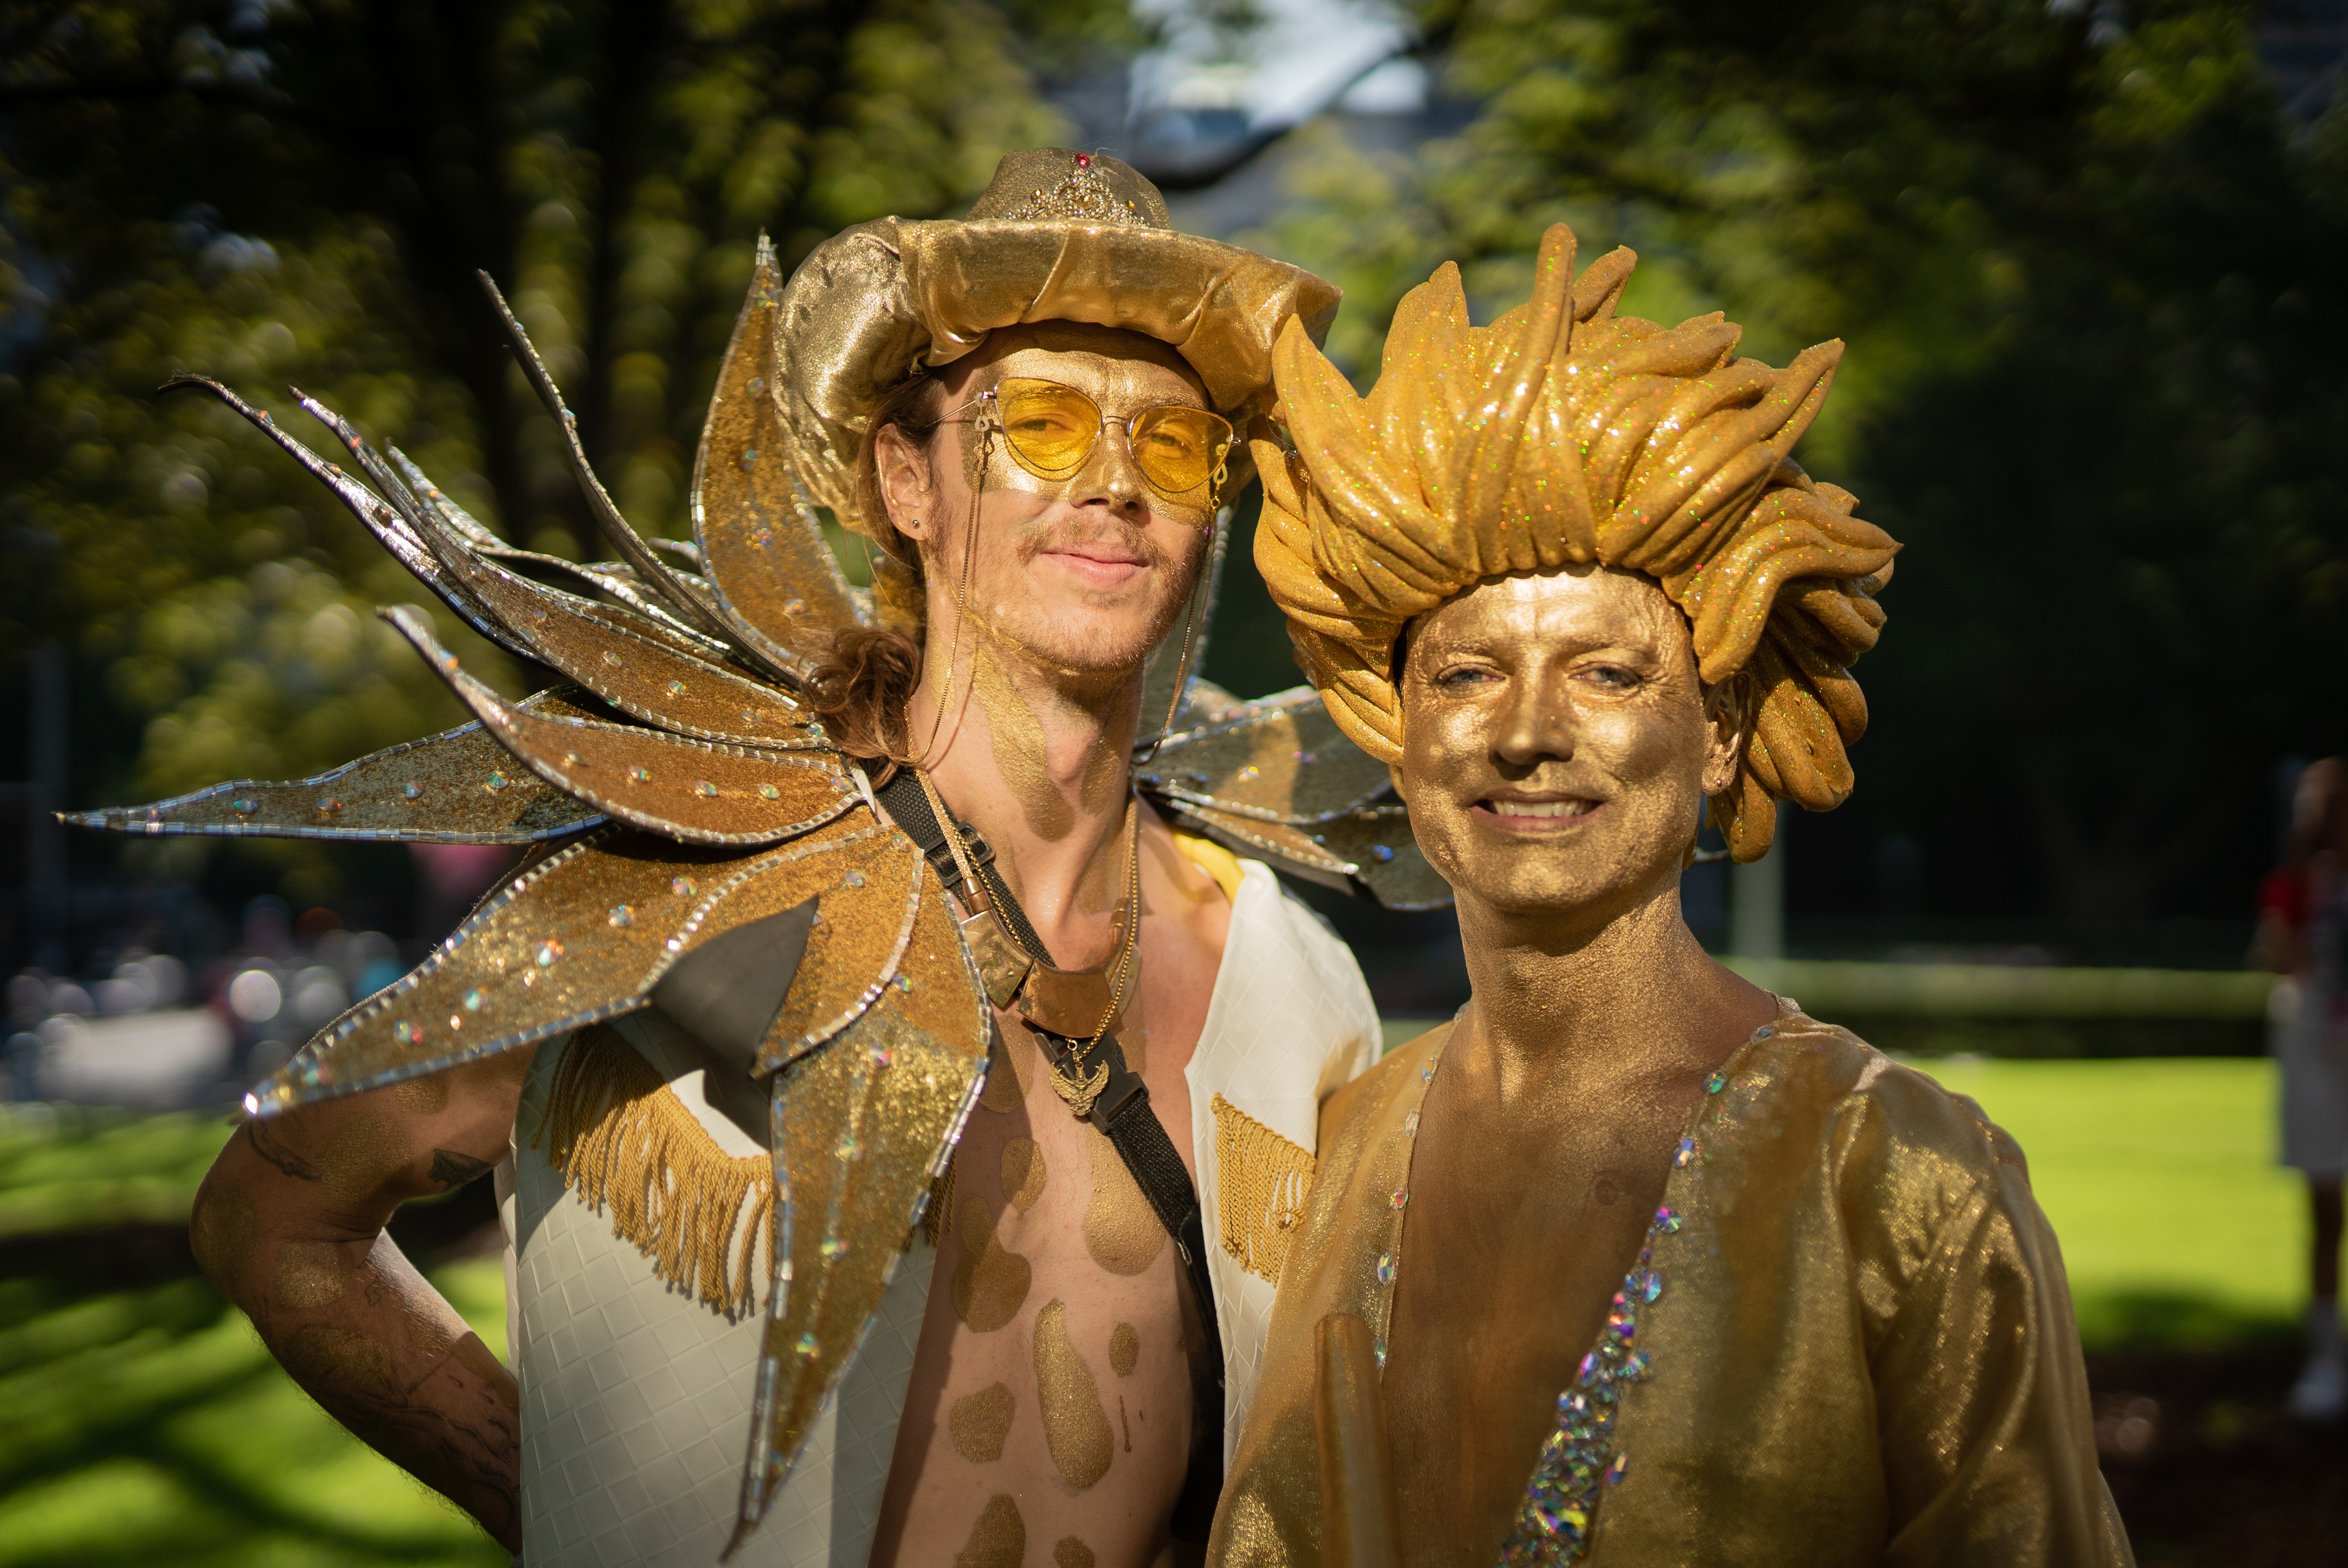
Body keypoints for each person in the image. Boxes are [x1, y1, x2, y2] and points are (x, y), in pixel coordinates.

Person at [79, 150, 1402, 1566]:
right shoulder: (685, 891)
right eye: (1041, 421)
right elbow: (273, 1216)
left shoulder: (1286, 981)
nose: (1116, 486)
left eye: (1174, 443)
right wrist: (538, 1504)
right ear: (905, 475)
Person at [1207, 226, 2134, 1566]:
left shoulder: (1891, 1176)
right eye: (1463, 674)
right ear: (1393, 731)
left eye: (1606, 673)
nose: (1524, 729)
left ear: (1717, 728)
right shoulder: (1339, 1152)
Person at [2256, 756, 2348, 1422]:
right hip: (2319, 1051)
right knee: (2325, 1208)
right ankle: (2324, 1358)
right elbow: (2281, 957)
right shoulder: (2297, 887)